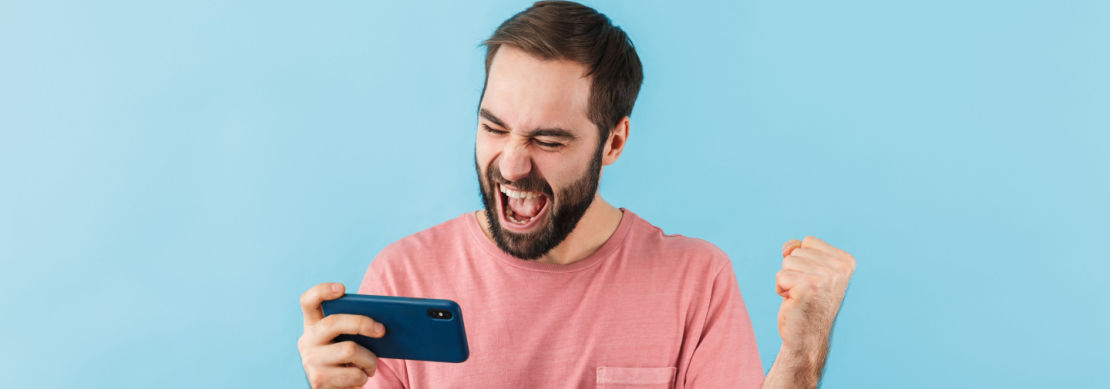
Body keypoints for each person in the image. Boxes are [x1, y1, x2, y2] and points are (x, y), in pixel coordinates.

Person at [297, 1, 855, 388]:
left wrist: (803, 354)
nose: (512, 164)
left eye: (547, 139)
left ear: (613, 142)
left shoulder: (696, 281)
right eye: (494, 128)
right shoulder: (404, 276)